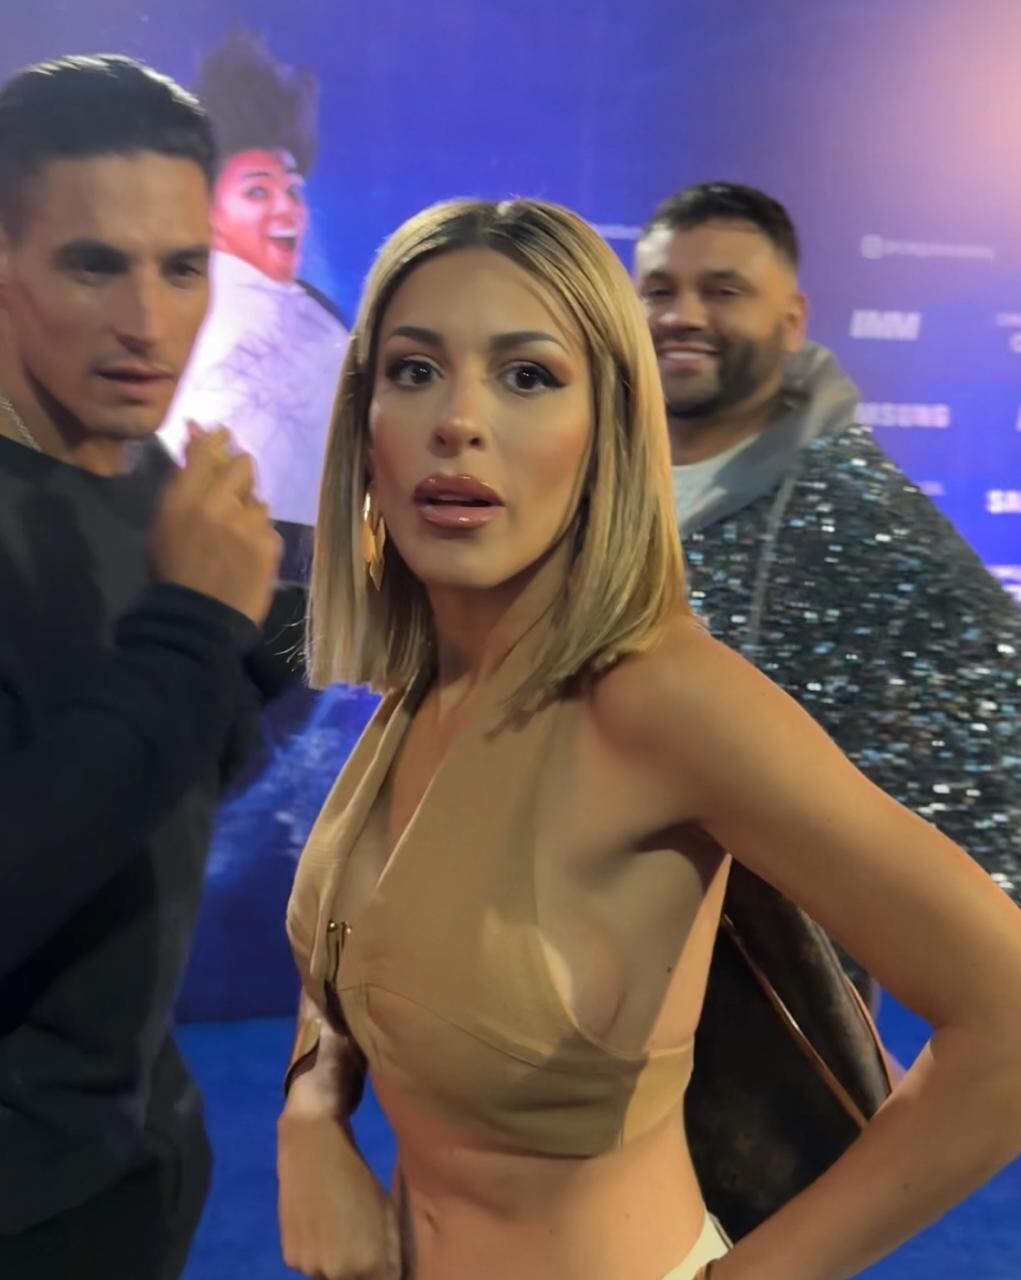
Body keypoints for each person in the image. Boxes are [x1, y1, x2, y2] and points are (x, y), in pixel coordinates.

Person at [277, 197, 1021, 1280]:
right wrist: (312, 1108)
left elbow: (1004, 1021)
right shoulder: (425, 681)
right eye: (415, 369)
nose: (458, 419)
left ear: (610, 427)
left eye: (526, 375)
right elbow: (357, 939)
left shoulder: (659, 700)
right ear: (364, 420)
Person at [0, 55, 282, 1278]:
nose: (149, 323)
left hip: (131, 1160)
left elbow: (159, 784)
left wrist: (253, 639)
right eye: (94, 265)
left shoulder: (146, 471)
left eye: (182, 267)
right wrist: (193, 630)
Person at [634, 182, 1021, 1005]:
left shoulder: (865, 514)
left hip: (759, 1024)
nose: (682, 316)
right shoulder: (578, 480)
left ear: (790, 319)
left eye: (722, 291)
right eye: (660, 290)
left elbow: (995, 765)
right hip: (546, 981)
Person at [160, 28, 348, 528]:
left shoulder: (325, 319)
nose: (288, 209)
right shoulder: (166, 315)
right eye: (258, 192)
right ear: (205, 208)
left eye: (294, 190)